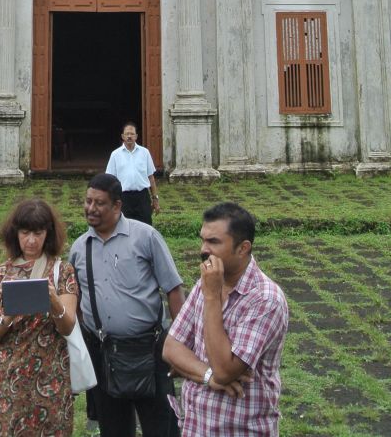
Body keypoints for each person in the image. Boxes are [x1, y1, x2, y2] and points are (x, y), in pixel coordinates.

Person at [70, 172, 184, 437]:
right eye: (88, 201)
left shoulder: (146, 236)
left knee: (162, 426)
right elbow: (75, 299)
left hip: (150, 349)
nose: (91, 209)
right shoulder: (79, 248)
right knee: (114, 428)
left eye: (99, 203)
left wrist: (180, 343)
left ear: (117, 206)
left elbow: (173, 289)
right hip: (105, 353)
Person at [163, 202, 289, 437]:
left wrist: (212, 297)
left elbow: (225, 370)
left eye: (214, 242)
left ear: (243, 248)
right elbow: (171, 348)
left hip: (240, 430)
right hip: (196, 427)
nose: (203, 249)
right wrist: (208, 376)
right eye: (203, 240)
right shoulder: (206, 282)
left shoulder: (265, 299)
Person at [0, 197, 78, 437]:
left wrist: (54, 301)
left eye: (38, 233)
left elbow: (68, 327)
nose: (31, 241)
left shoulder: (63, 272)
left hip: (50, 377)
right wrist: (8, 317)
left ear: (48, 234)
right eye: (25, 233)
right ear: (15, 234)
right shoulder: (2, 273)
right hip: (8, 377)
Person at [106, 122, 160, 225]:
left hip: (142, 197)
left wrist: (155, 199)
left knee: (145, 227)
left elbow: (151, 178)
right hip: (123, 197)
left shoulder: (145, 153)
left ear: (136, 136)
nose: (129, 136)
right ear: (122, 136)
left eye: (132, 134)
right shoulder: (115, 155)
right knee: (124, 228)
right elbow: (110, 180)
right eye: (127, 134)